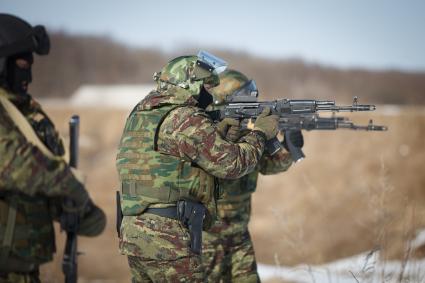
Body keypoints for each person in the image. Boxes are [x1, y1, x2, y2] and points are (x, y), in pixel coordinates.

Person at [116, 51, 280, 282]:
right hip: (169, 236)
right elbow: (232, 164)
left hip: (133, 231)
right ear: (189, 85)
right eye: (205, 86)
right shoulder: (185, 117)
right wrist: (261, 133)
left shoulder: (141, 113)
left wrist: (218, 132)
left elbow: (167, 156)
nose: (209, 93)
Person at [0, 14, 106, 283]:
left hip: (23, 266)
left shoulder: (27, 117)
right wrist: (71, 185)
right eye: (22, 65)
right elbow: (19, 163)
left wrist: (72, 210)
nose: (29, 76)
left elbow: (44, 180)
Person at [202, 69, 304, 282]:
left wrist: (288, 144)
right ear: (224, 101)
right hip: (207, 238)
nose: (251, 100)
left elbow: (269, 165)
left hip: (239, 234)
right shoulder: (206, 136)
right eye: (243, 97)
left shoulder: (250, 135)